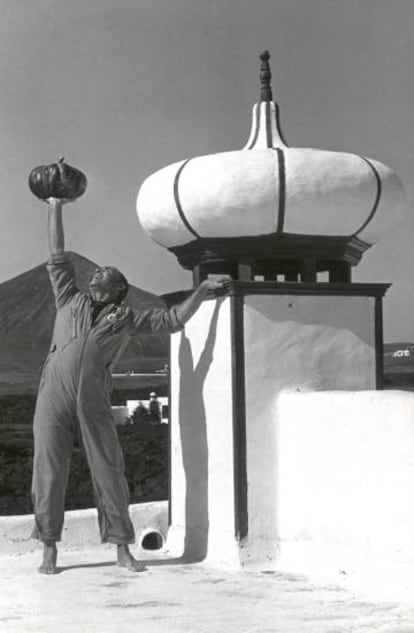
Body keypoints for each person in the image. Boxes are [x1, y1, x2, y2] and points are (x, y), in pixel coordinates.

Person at [31, 197, 227, 574]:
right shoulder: (69, 298)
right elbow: (57, 253)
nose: (94, 274)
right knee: (48, 470)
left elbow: (172, 320)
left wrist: (201, 292)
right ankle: (49, 549)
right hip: (51, 396)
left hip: (93, 399)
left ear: (119, 287)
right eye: (93, 273)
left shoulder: (128, 318)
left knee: (108, 470)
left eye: (103, 273)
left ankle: (123, 548)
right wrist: (54, 205)